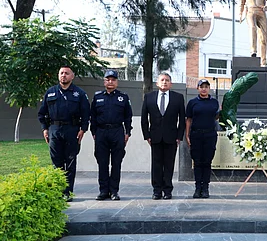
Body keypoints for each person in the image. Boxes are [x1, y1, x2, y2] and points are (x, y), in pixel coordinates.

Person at [38, 66, 90, 202]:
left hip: (72, 130)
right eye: (61, 73)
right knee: (56, 163)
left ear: (72, 76)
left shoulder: (79, 94)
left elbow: (86, 114)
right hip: (54, 130)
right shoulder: (50, 93)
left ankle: (68, 192)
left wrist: (83, 129)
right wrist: (45, 129)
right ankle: (58, 191)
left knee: (70, 162)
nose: (63, 76)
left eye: (67, 73)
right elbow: (41, 113)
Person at [141, 72, 186, 200]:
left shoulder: (178, 97)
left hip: (171, 137)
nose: (164, 82)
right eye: (162, 80)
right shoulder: (149, 97)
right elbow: (144, 118)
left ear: (170, 84)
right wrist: (147, 135)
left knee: (169, 164)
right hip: (154, 137)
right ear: (157, 83)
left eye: (167, 80)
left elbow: (182, 118)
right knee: (156, 164)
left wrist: (179, 136)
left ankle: (167, 190)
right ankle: (156, 190)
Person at [90, 70, 133, 201]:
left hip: (117, 132)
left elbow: (128, 117)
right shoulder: (97, 97)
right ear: (104, 81)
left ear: (116, 82)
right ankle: (103, 191)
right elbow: (93, 116)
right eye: (108, 79)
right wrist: (94, 132)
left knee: (116, 163)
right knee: (102, 163)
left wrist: (127, 133)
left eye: (113, 79)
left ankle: (114, 191)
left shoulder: (123, 97)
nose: (110, 82)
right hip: (101, 133)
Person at [185, 79, 219, 199]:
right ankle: (197, 187)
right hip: (196, 135)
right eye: (201, 87)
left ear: (209, 88)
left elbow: (217, 117)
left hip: (210, 135)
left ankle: (205, 188)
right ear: (198, 88)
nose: (204, 89)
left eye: (206, 86)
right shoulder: (192, 103)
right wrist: (187, 135)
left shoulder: (214, 102)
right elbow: (188, 119)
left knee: (207, 162)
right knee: (197, 162)